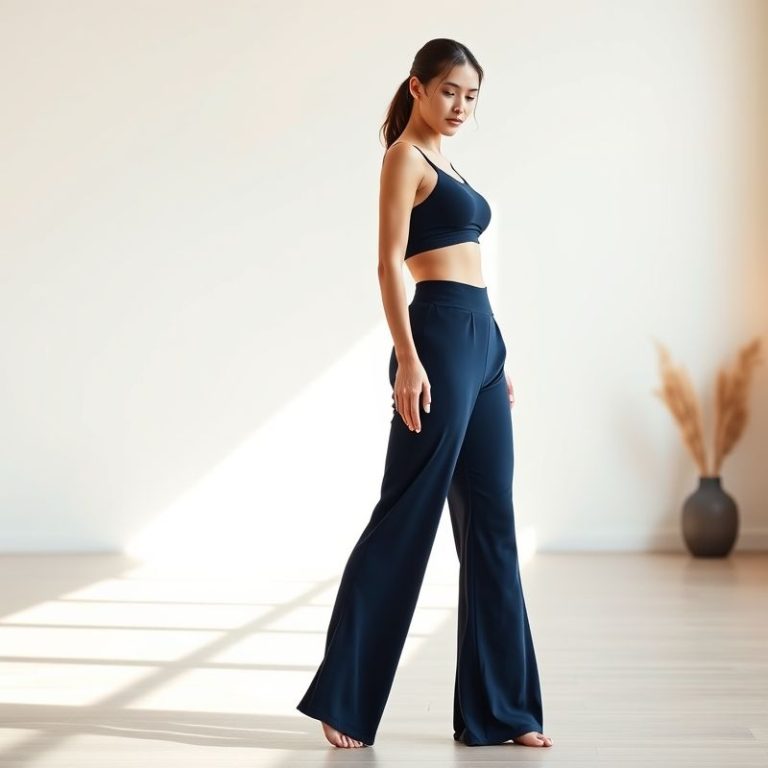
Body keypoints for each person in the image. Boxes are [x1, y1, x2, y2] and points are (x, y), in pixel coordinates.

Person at [296, 38, 553, 750]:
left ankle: (501, 712)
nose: (460, 106)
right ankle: (344, 700)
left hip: (481, 342)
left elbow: (473, 267)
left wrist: (495, 359)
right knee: (406, 516)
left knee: (493, 525)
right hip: (435, 338)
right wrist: (409, 360)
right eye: (449, 92)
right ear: (416, 88)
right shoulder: (404, 157)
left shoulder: (448, 160)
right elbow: (386, 265)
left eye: (471, 96)